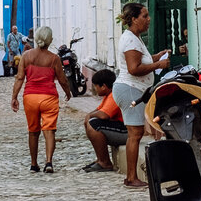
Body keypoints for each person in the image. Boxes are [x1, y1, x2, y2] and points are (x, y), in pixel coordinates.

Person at [113, 2, 170, 190]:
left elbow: (140, 60)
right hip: (130, 88)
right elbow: (134, 68)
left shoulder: (135, 38)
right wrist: (158, 66)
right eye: (144, 16)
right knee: (135, 134)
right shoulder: (130, 40)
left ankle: (132, 176)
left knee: (135, 134)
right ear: (134, 19)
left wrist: (156, 57)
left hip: (134, 88)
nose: (148, 19)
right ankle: (131, 177)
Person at [10, 26, 72, 173]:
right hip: (49, 97)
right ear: (50, 40)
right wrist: (68, 93)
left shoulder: (26, 56)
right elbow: (62, 80)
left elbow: (19, 78)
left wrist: (14, 97)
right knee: (49, 130)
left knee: (33, 131)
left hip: (30, 97)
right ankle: (49, 162)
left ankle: (33, 164)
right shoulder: (54, 59)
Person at [82, 69, 127, 172]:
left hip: (126, 131)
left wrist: (90, 116)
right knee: (92, 122)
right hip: (119, 127)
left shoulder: (114, 95)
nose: (95, 89)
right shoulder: (108, 96)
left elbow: (104, 115)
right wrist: (90, 115)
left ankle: (105, 162)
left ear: (103, 86)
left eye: (95, 86)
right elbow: (99, 110)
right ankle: (100, 159)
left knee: (94, 125)